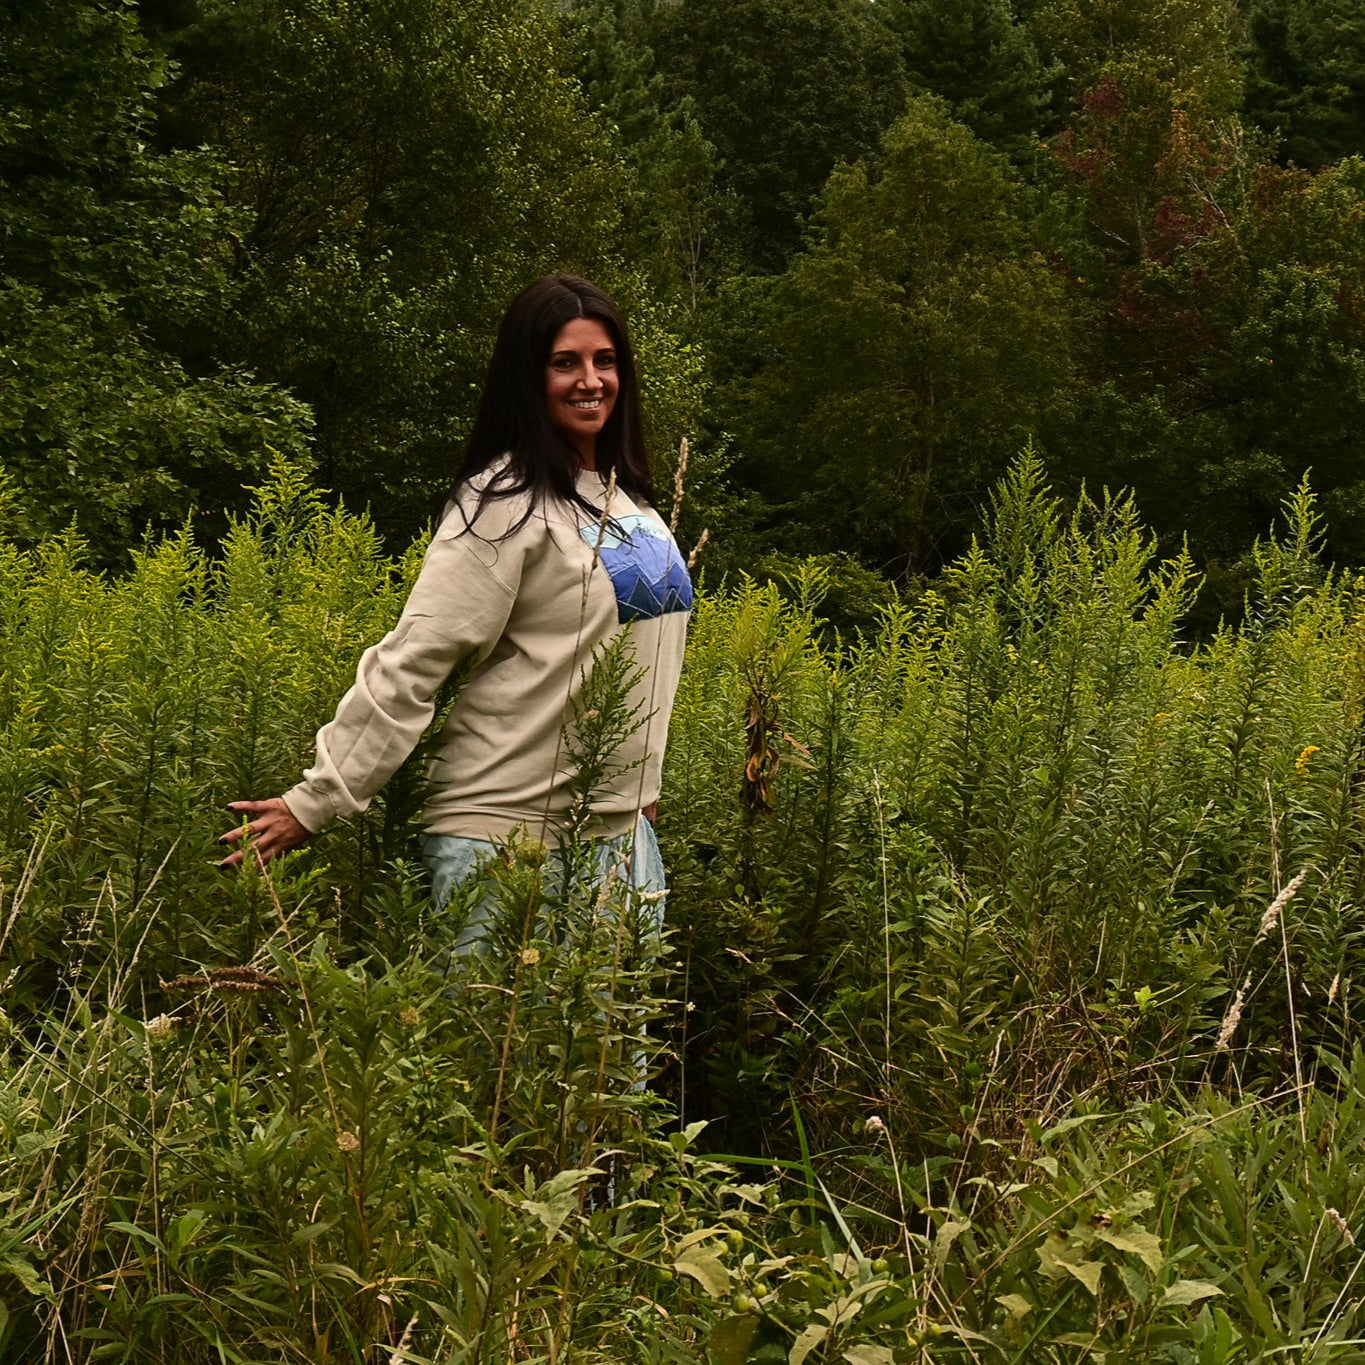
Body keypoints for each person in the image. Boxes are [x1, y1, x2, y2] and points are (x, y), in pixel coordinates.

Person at [218, 275, 693, 949]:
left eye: (605, 360)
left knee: (612, 1025)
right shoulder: (504, 502)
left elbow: (644, 657)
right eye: (565, 362)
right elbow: (417, 657)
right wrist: (317, 799)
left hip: (616, 837)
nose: (591, 380)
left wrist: (639, 789)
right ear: (527, 377)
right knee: (494, 1022)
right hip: (505, 839)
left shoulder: (629, 501)